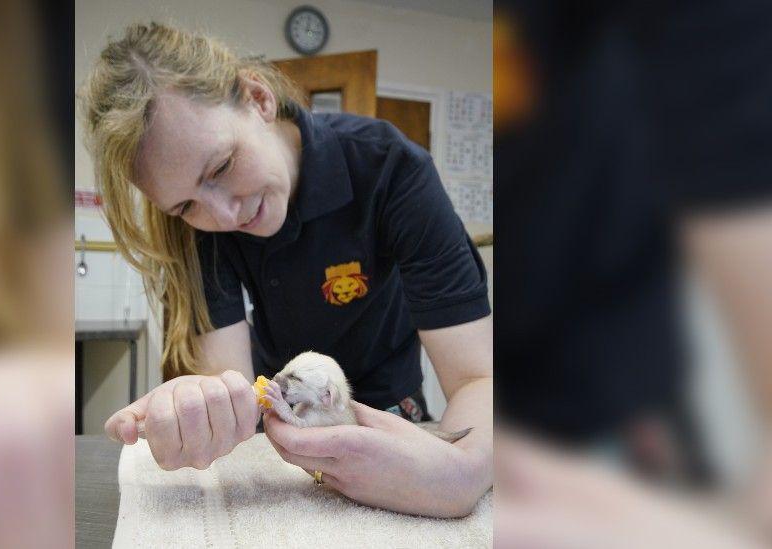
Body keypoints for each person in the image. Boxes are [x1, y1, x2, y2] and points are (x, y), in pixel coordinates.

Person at [83, 22, 493, 518]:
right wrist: (198, 411)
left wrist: (461, 472)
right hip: (280, 438)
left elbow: (479, 379)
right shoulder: (199, 231)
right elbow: (231, 384)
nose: (224, 216)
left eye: (222, 167)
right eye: (186, 205)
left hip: (394, 422)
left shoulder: (390, 171)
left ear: (257, 98)